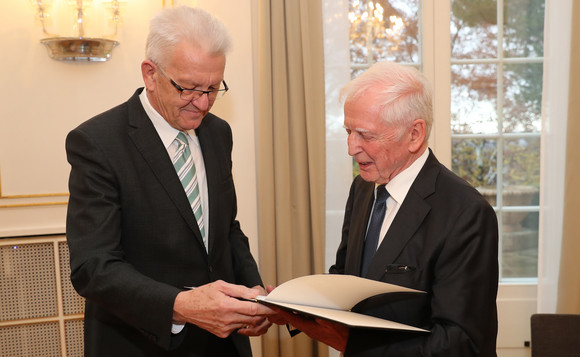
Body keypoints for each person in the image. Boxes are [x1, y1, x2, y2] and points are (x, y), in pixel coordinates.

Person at [65, 7, 272, 357]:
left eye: (212, 88)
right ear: (150, 73)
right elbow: (93, 266)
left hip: (223, 344)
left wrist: (252, 291)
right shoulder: (98, 142)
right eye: (189, 88)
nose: (202, 103)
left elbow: (225, 230)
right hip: (141, 342)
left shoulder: (218, 133)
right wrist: (181, 305)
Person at [270, 61, 499, 356]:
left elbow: (461, 343)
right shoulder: (363, 187)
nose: (351, 148)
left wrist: (353, 345)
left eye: (365, 135)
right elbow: (347, 279)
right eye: (349, 132)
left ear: (415, 134)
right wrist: (288, 307)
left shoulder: (466, 214)